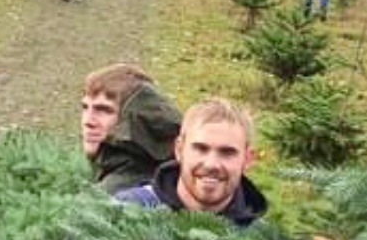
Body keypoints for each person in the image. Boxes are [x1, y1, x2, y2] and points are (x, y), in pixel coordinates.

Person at [113, 98, 267, 228]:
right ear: (179, 149)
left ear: (247, 159)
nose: (211, 164)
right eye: (200, 149)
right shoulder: (125, 212)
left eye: (227, 153)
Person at [80, 63, 182, 193]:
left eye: (104, 110)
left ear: (132, 122)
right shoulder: (168, 178)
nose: (88, 121)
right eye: (85, 107)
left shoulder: (120, 192)